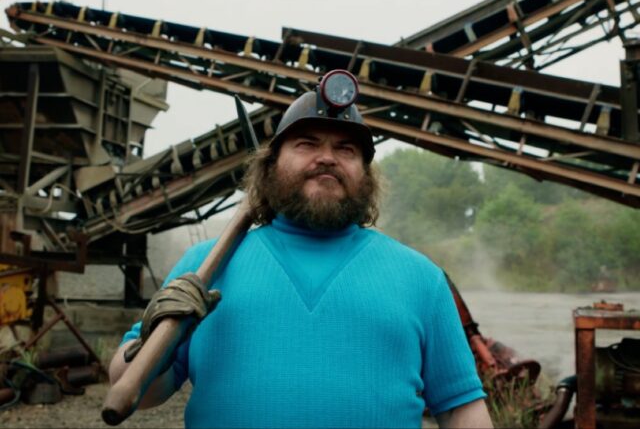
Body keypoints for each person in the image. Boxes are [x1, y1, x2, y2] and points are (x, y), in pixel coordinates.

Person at [109, 70, 493, 428]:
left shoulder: (420, 277)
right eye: (307, 143)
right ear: (272, 165)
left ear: (366, 173)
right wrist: (150, 340)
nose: (326, 157)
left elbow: (461, 407)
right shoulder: (203, 267)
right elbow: (137, 393)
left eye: (346, 149)